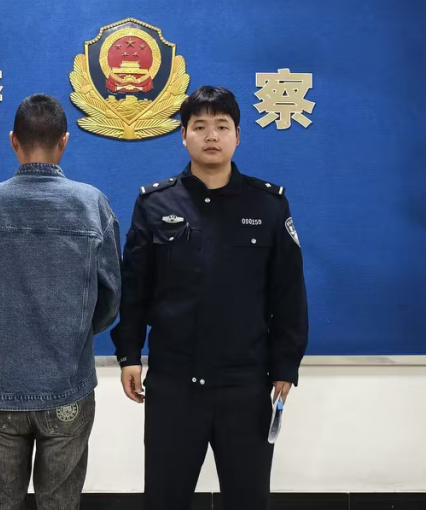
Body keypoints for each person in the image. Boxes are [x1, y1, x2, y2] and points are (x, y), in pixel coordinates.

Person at [111, 86, 309, 510]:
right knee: (164, 499)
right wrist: (129, 354)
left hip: (246, 384)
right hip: (173, 384)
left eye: (222, 126)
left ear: (238, 135)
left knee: (248, 499)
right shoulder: (154, 203)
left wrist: (285, 366)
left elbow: (289, 294)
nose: (211, 135)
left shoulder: (268, 204)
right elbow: (134, 288)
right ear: (183, 135)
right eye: (199, 126)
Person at [0, 94, 121, 510]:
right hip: (67, 384)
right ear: (64, 141)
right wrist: (77, 331)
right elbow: (111, 298)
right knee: (59, 503)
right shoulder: (92, 204)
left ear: (13, 140)